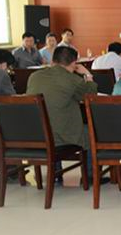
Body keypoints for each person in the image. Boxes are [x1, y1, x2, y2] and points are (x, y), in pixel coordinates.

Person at [26, 46, 105, 182]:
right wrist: (88, 75)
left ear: (53, 60)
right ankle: (90, 177)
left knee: (54, 120)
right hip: (60, 136)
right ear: (74, 63)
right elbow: (91, 96)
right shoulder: (72, 79)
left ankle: (56, 173)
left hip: (36, 134)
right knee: (91, 133)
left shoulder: (34, 77)